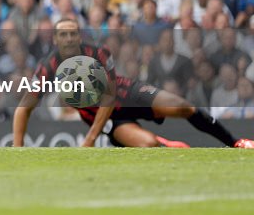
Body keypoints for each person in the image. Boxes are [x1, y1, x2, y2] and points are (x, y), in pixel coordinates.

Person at [13, 17, 254, 148]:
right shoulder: (49, 66)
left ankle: (235, 142)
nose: (68, 38)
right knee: (147, 145)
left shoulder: (98, 53)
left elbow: (108, 97)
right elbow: (25, 106)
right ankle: (163, 144)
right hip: (107, 119)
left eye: (72, 33)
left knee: (183, 107)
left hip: (128, 95)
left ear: (79, 35)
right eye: (62, 34)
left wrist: (89, 141)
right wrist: (17, 147)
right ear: (55, 39)